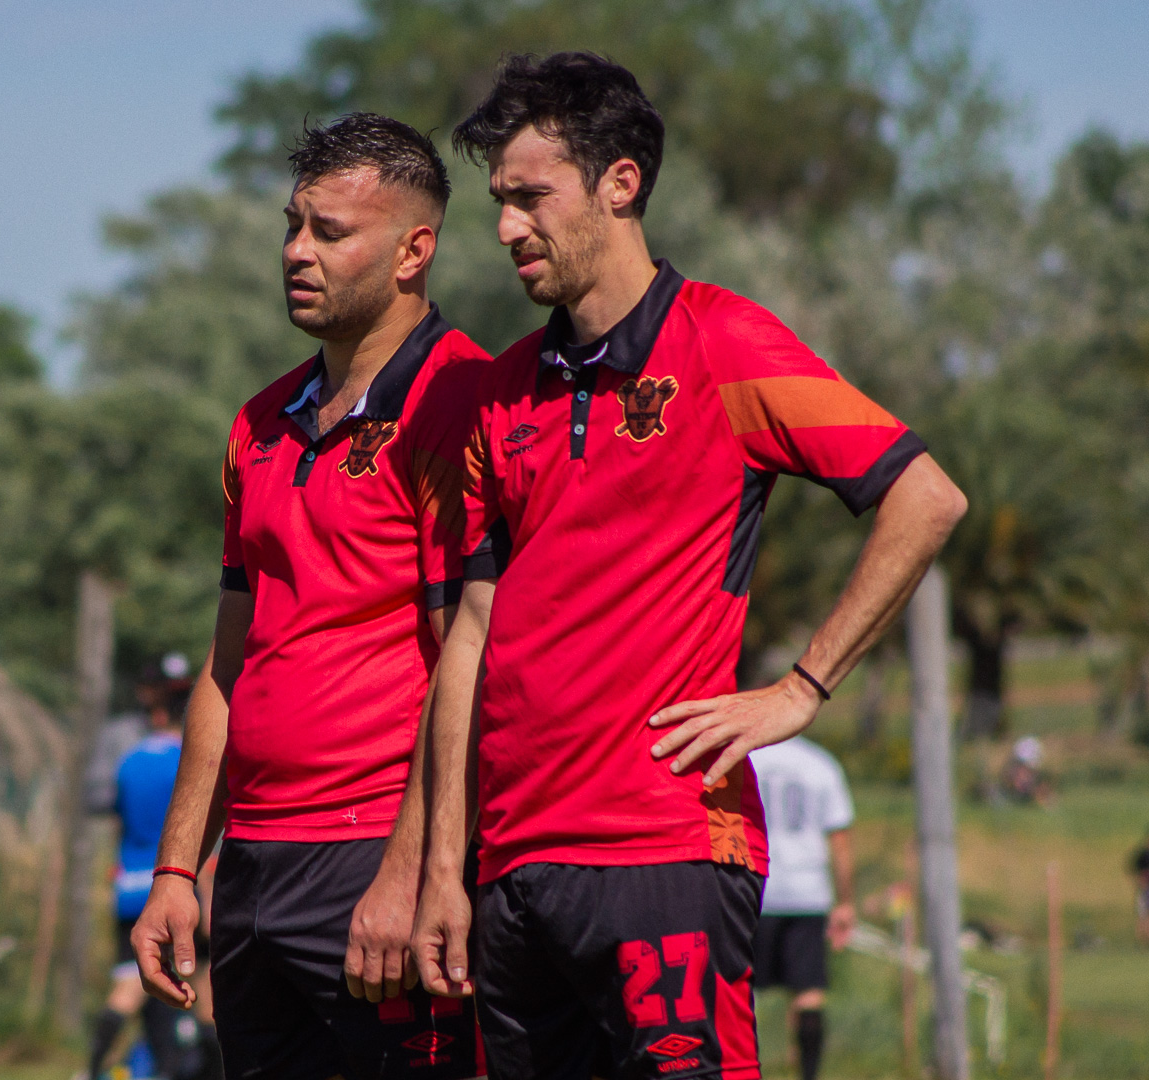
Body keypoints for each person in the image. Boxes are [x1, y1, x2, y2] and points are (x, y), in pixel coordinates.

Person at [410, 52, 967, 1080]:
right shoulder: (501, 393)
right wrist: (444, 865)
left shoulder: (723, 342)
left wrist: (800, 689)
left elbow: (924, 497)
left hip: (664, 849)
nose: (505, 228)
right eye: (498, 202)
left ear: (619, 184)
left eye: (530, 197)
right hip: (511, 867)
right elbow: (471, 635)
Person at [130, 112, 489, 1080]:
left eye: (330, 232)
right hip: (250, 869)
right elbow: (226, 667)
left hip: (370, 861)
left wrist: (410, 870)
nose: (296, 251)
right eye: (292, 226)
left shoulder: (462, 404)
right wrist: (178, 870)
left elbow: (469, 662)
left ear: (414, 251)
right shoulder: (257, 423)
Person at [87, 657, 220, 1080]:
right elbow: (200, 834)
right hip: (176, 883)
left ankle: (92, 1068)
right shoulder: (190, 763)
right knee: (202, 985)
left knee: (131, 983)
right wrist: (208, 893)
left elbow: (116, 818)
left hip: (129, 885)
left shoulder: (128, 762)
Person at [748, 736, 856, 1080]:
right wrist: (845, 902)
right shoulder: (820, 763)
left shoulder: (747, 758)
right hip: (807, 892)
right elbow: (839, 839)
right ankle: (809, 1074)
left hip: (754, 889)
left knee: (741, 991)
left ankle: (740, 1069)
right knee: (808, 993)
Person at [1131, 827, 1149, 946]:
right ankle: (1142, 941)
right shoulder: (1143, 855)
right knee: (1142, 915)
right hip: (1145, 889)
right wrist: (1141, 881)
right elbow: (1136, 870)